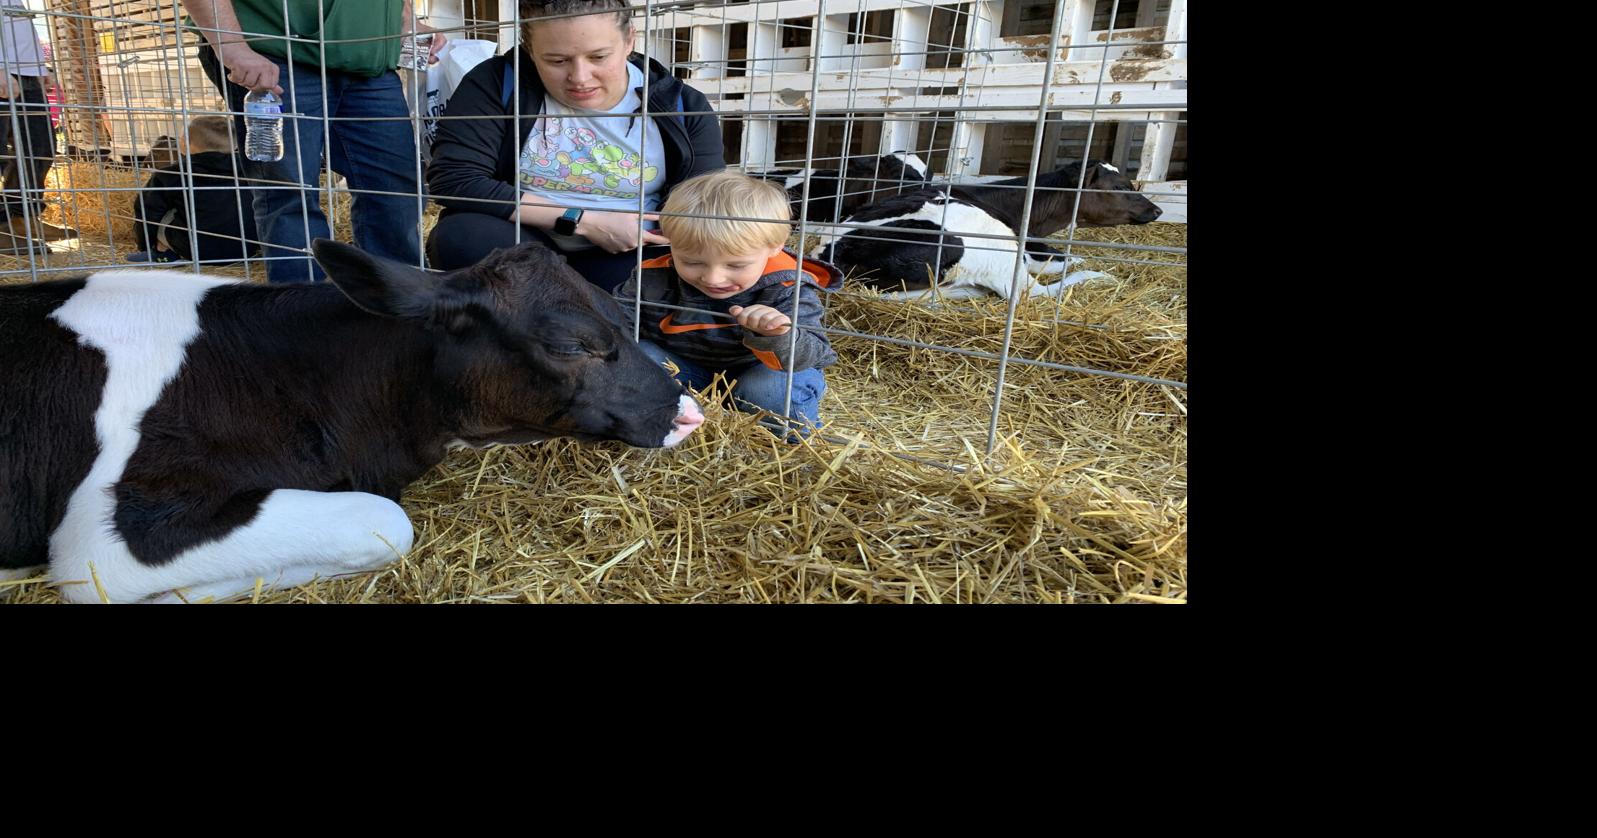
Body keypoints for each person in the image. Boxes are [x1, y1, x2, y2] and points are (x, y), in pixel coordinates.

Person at [425, 0, 724, 292]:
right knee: (460, 236)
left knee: (664, 280)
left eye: (599, 57)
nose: (579, 78)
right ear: (530, 51)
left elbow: (705, 201)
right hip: (525, 240)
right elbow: (455, 179)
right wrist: (580, 220)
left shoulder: (683, 105)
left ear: (629, 40)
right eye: (557, 60)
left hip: (630, 248)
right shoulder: (496, 81)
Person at [181, 0, 444, 282]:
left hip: (369, 56)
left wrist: (404, 19)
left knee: (394, 187)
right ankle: (307, 312)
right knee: (290, 193)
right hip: (274, 51)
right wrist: (231, 46)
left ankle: (399, 307)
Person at [612, 170, 840, 435]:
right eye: (692, 262)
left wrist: (778, 334)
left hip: (762, 373)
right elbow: (618, 323)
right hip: (689, 373)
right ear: (669, 241)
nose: (713, 277)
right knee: (640, 357)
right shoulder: (651, 277)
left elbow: (815, 354)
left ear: (775, 246)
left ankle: (790, 441)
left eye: (736, 265)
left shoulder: (786, 285)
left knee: (768, 391)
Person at [1, 0, 78, 255]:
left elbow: (18, 22)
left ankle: (20, 218)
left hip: (24, 70)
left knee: (40, 146)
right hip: (4, 68)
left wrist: (37, 65)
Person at [129, 115, 260, 264]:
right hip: (245, 248)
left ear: (185, 144)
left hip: (194, 249)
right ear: (237, 144)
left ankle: (161, 252)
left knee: (158, 208)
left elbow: (146, 213)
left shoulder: (170, 174)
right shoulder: (250, 171)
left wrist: (144, 245)